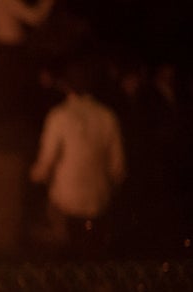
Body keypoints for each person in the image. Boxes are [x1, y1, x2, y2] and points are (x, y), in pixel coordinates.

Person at [28, 61, 125, 258]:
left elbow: (45, 166)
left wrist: (33, 177)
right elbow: (118, 168)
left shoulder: (59, 116)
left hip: (65, 205)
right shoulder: (107, 116)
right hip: (98, 204)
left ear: (66, 86)